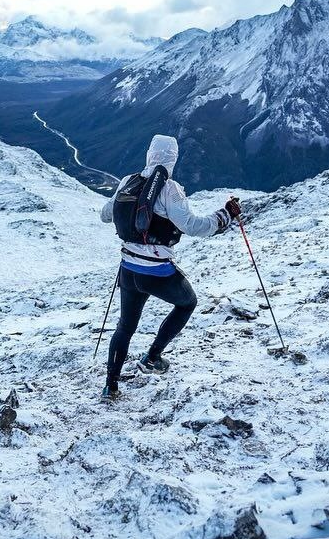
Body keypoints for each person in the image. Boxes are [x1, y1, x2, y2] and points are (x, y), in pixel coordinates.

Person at [99, 135, 241, 401]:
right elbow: (194, 226)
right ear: (173, 159)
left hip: (128, 269)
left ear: (149, 154)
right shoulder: (170, 189)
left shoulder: (128, 181)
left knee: (125, 327)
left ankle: (111, 386)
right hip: (157, 272)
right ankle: (153, 357)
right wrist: (225, 215)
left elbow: (106, 215)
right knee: (187, 303)